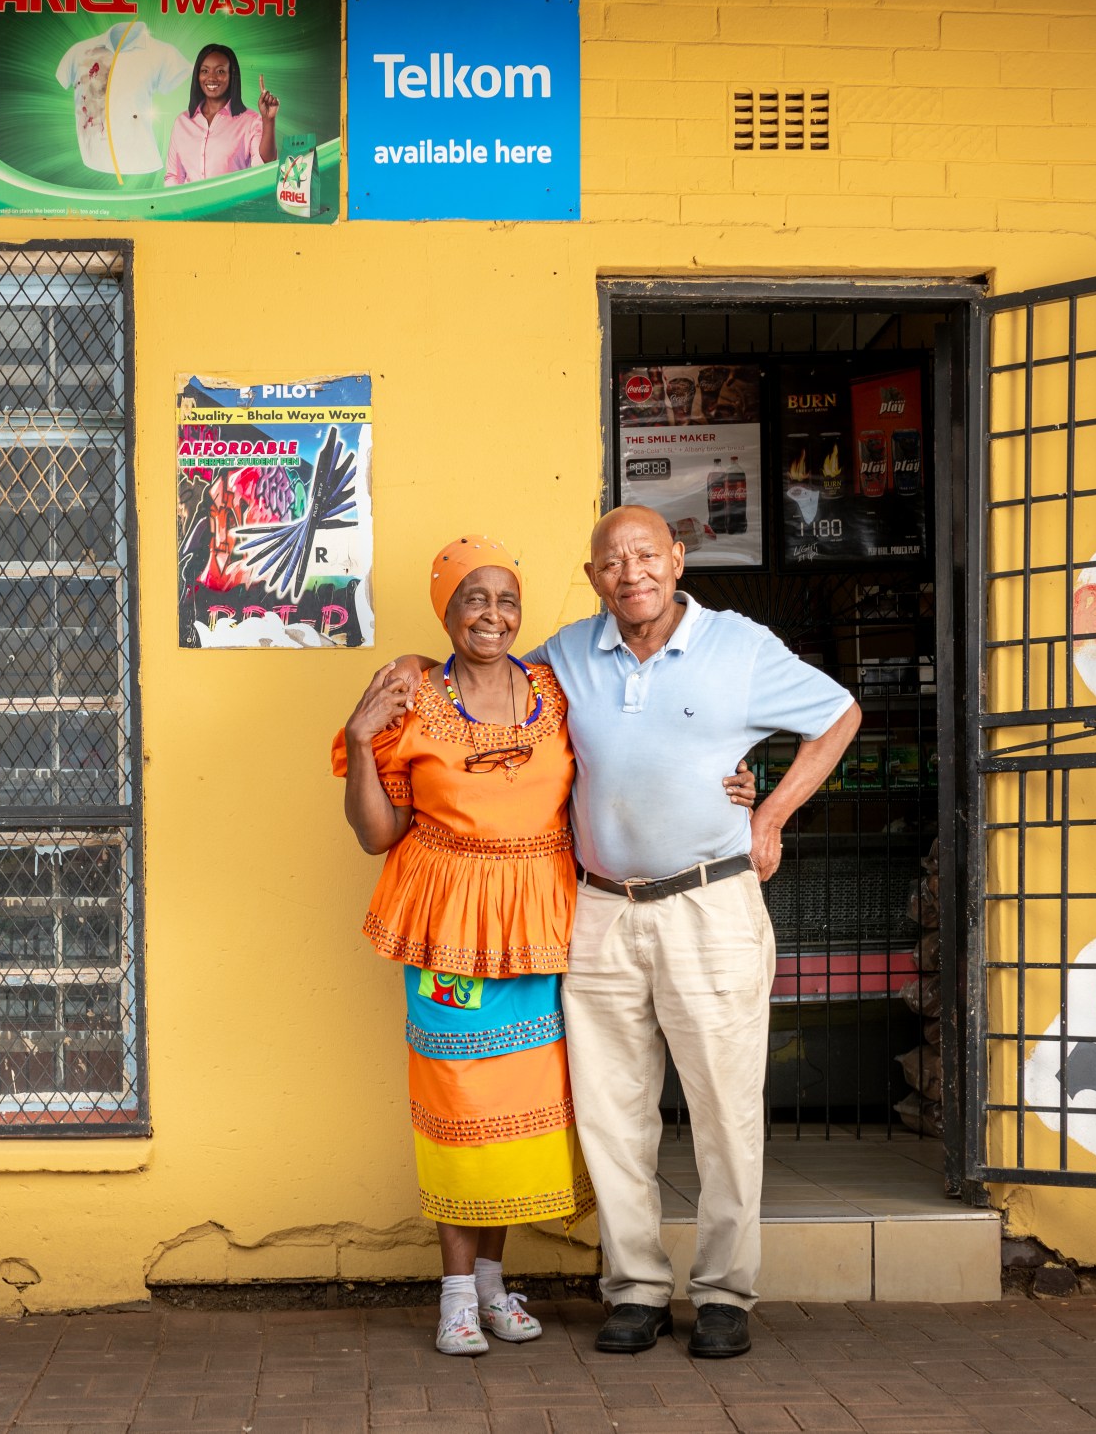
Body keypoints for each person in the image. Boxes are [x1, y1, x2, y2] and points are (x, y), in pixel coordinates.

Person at [334, 536, 754, 1358]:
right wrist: (357, 742)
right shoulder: (411, 694)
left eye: (505, 598)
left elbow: (638, 749)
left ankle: (491, 1285)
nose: (491, 614)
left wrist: (733, 781)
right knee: (460, 1107)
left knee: (521, 1118)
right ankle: (455, 1292)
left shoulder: (555, 691)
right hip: (450, 929)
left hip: (541, 929)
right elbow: (377, 833)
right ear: (445, 610)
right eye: (471, 599)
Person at [540, 505, 860, 1362]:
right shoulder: (569, 652)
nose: (631, 570)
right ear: (594, 574)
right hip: (600, 906)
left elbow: (838, 714)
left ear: (679, 559)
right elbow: (496, 695)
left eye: (647, 553)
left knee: (723, 1108)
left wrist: (775, 814)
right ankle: (635, 1288)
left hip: (709, 903)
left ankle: (723, 1292)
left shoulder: (740, 646)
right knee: (610, 1113)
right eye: (612, 559)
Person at [162, 42, 278, 184]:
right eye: (205, 71)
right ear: (197, 76)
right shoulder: (182, 122)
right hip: (190, 206)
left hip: (233, 205)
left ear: (232, 76)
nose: (211, 78)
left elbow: (264, 166)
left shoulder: (250, 121)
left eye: (220, 71)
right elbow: (174, 176)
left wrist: (269, 120)